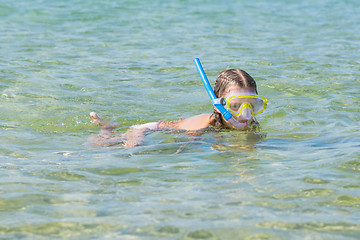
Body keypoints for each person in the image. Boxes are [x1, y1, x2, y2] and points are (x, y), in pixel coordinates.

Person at [90, 68, 267, 148]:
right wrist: (138, 134)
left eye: (252, 105)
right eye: (235, 106)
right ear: (218, 105)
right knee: (114, 147)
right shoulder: (203, 127)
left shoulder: (252, 126)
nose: (245, 115)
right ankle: (107, 129)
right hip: (152, 128)